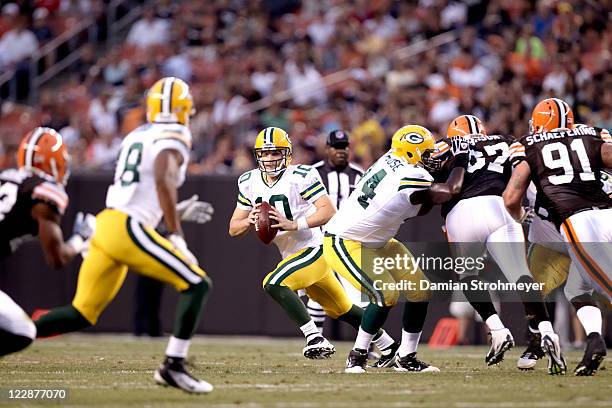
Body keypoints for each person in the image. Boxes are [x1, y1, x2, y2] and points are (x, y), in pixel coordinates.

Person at [34, 77, 214, 394]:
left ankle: (11, 331)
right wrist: (175, 233)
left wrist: (172, 210)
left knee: (80, 314)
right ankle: (173, 366)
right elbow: (162, 178)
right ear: (183, 109)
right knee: (197, 284)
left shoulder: (138, 133)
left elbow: (144, 187)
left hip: (105, 224)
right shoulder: (175, 133)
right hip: (127, 228)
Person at [228, 126, 397, 363]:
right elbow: (233, 228)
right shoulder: (248, 181)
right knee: (342, 310)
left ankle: (314, 338)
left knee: (274, 282)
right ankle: (389, 347)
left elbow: (329, 211)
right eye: (264, 153)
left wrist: (293, 224)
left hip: (315, 249)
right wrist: (249, 219)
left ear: (286, 154)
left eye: (275, 152)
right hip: (292, 255)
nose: (269, 158)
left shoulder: (301, 176)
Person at [323, 124, 463, 373]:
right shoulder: (409, 175)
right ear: (410, 153)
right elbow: (448, 191)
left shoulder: (392, 158)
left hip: (378, 240)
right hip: (346, 240)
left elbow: (421, 204)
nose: (430, 158)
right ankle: (357, 355)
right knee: (385, 293)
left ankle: (406, 357)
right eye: (426, 153)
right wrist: (460, 162)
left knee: (420, 289)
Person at [434, 114, 564, 373]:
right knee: (521, 275)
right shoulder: (506, 142)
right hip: (501, 205)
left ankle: (497, 329)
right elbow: (525, 176)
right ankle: (548, 331)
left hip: (463, 210)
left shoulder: (446, 144)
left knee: (467, 274)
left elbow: (433, 176)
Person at [504, 98, 611, 376]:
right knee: (575, 290)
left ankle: (542, 339)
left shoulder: (529, 145)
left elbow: (512, 195)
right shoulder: (592, 134)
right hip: (591, 219)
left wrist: (517, 217)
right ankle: (591, 341)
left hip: (577, 223)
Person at [0, 127, 94, 356]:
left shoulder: (5, 177)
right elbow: (57, 258)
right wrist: (80, 239)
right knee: (22, 331)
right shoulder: (46, 190)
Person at [306, 130, 366, 333]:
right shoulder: (312, 173)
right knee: (319, 291)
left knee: (360, 293)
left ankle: (368, 344)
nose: (341, 151)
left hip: (349, 241)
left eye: (345, 147)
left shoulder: (359, 175)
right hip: (319, 241)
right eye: (336, 147)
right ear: (327, 149)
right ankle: (316, 339)